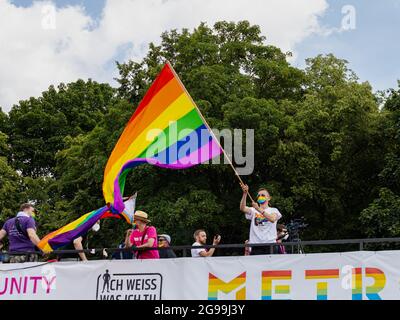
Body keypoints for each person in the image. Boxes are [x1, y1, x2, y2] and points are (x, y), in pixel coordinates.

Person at [240, 184, 282, 255]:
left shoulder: (274, 210)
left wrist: (258, 209)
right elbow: (242, 208)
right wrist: (245, 193)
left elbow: (272, 219)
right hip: (256, 246)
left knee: (271, 266)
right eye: (258, 195)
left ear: (269, 198)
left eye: (263, 195)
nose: (260, 197)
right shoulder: (253, 210)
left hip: (270, 245)